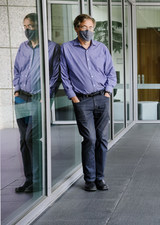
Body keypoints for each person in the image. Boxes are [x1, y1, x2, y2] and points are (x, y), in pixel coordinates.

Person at [60, 14, 116, 192]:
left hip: (102, 98)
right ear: (76, 28)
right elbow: (64, 75)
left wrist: (107, 92)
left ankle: (100, 178)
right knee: (90, 139)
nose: (88, 31)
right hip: (82, 101)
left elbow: (111, 73)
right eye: (84, 27)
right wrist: (73, 97)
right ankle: (89, 179)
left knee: (102, 140)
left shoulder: (101, 48)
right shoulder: (67, 48)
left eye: (91, 27)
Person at [13, 13, 60, 193]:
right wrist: (16, 89)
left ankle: (39, 180)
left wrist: (46, 95)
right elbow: (17, 69)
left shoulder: (52, 48)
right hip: (21, 97)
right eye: (25, 26)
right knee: (23, 141)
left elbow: (55, 75)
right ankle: (29, 180)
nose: (27, 29)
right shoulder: (22, 47)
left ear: (39, 26)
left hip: (39, 98)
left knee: (31, 138)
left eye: (30, 26)